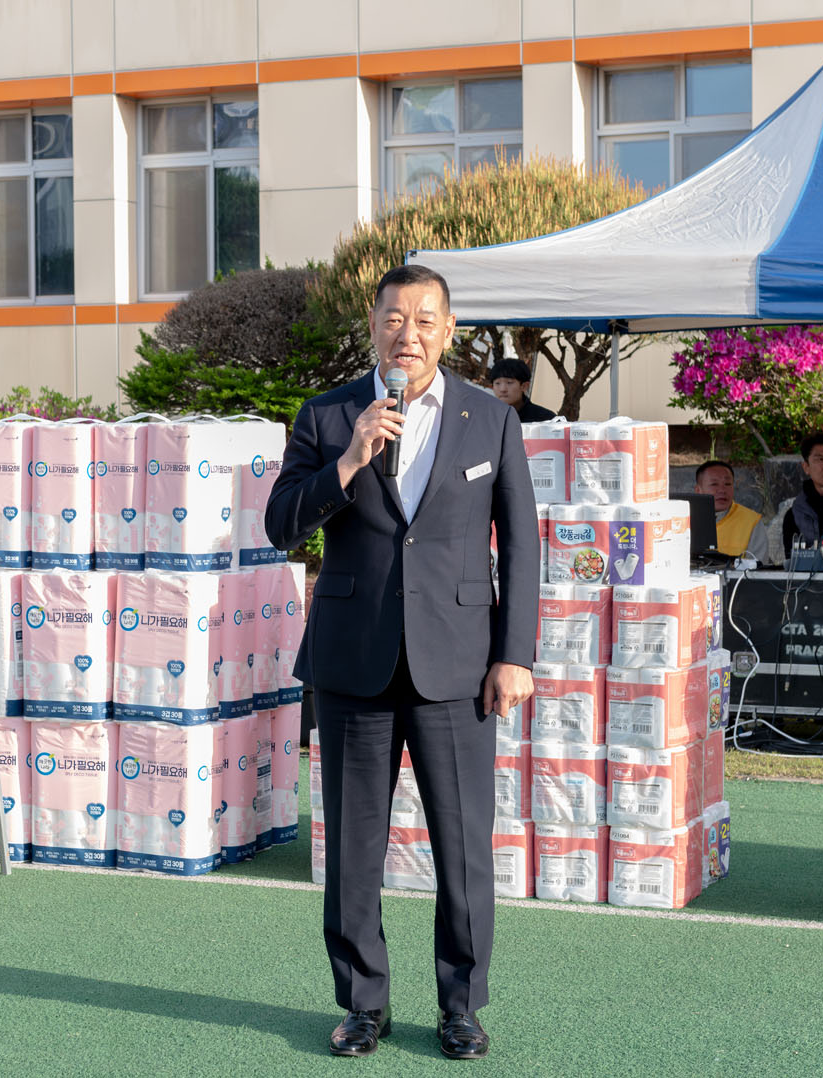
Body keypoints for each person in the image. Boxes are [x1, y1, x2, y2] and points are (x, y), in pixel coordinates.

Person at [264, 264, 539, 1062]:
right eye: (394, 318)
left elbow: (521, 544)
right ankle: (362, 1005)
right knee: (354, 852)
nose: (407, 334)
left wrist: (514, 654)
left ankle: (462, 1006)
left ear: (448, 331)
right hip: (354, 662)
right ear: (373, 324)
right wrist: (348, 460)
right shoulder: (328, 415)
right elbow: (281, 525)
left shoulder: (491, 420)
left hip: (459, 664)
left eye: (424, 320)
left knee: (464, 849)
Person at [695, 459, 766, 560]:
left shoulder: (751, 521)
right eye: (714, 484)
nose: (722, 490)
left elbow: (759, 566)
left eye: (727, 484)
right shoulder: (684, 520)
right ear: (698, 490)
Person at [488, 358, 556, 422]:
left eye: (509, 383)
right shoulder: (486, 416)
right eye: (497, 383)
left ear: (524, 386)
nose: (502, 389)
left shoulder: (546, 419)